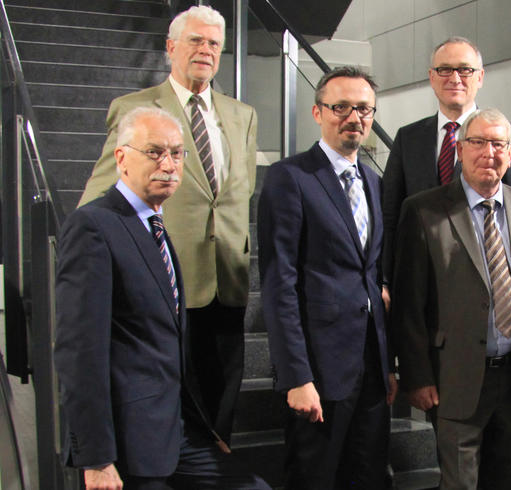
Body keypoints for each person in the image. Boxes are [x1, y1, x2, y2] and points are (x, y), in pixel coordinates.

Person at [55, 107, 269, 490]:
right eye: (154, 152)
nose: (168, 164)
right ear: (121, 158)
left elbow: (167, 350)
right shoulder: (93, 226)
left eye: (177, 153)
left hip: (177, 432)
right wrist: (96, 458)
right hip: (125, 444)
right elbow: (79, 353)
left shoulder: (156, 226)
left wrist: (204, 430)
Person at [78, 5, 257, 442]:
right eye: (195, 40)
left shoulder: (242, 115)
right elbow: (99, 198)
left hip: (227, 282)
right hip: (165, 284)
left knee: (222, 412)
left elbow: (237, 196)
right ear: (171, 47)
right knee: (172, 418)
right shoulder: (135, 108)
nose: (206, 50)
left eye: (215, 43)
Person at [391, 108, 511, 490]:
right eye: (478, 142)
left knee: (509, 482)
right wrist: (416, 376)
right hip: (454, 377)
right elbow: (409, 305)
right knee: (459, 485)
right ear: (460, 149)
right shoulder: (423, 210)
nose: (489, 151)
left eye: (499, 143)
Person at [257, 66, 398, 489]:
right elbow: (279, 284)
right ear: (318, 113)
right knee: (314, 478)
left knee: (368, 477)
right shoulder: (291, 177)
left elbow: (370, 276)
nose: (353, 117)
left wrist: (386, 364)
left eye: (364, 109)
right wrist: (296, 376)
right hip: (319, 369)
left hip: (370, 369)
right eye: (341, 107)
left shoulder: (374, 182)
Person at [382, 36, 511, 301]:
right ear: (431, 76)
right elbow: (391, 217)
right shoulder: (408, 138)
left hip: (483, 282)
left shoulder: (507, 135)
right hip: (418, 280)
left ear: (480, 76)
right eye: (444, 69)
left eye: (465, 69)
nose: (455, 78)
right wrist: (386, 280)